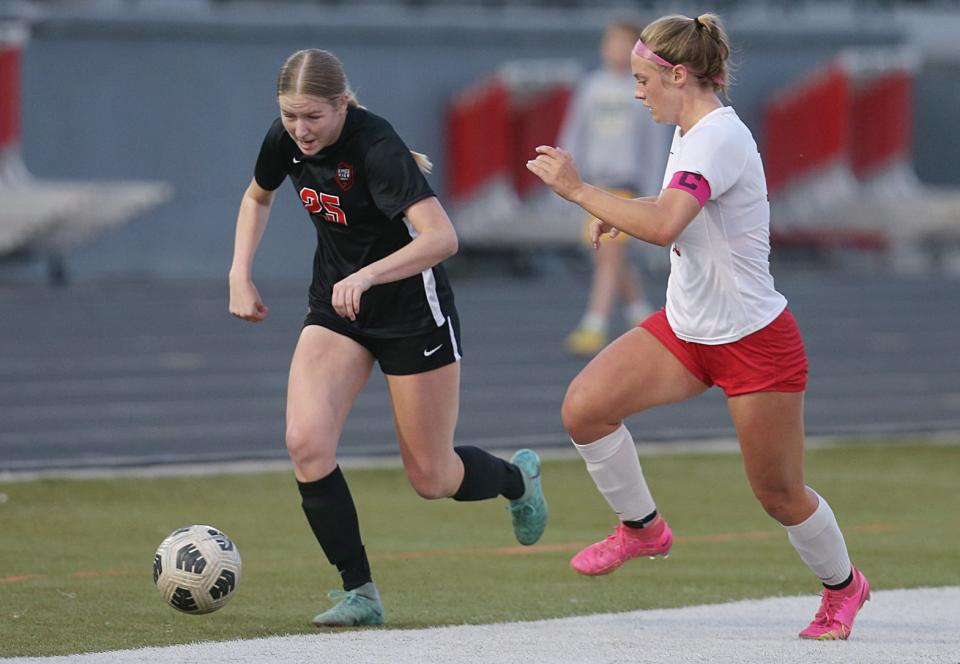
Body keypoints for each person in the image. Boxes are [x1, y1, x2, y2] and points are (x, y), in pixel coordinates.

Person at [527, 14, 869, 641]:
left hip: (753, 343)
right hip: (687, 332)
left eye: (642, 81)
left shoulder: (716, 137)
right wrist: (617, 211)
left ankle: (844, 588)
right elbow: (670, 217)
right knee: (585, 409)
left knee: (779, 494)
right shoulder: (687, 129)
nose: (636, 93)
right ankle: (643, 528)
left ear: (678, 75)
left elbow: (662, 226)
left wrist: (580, 192)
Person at [229, 48, 547, 628]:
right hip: (338, 308)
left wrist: (370, 273)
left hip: (410, 312)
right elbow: (257, 196)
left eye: (313, 118)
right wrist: (238, 273)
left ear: (343, 103)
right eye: (290, 115)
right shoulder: (284, 138)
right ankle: (360, 593)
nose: (300, 130)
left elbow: (442, 237)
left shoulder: (377, 148)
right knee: (305, 441)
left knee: (432, 477)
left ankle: (516, 479)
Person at [558, 18, 670, 357]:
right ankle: (642, 314)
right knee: (612, 257)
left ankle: (594, 322)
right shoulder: (590, 88)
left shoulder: (642, 90)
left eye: (626, 45)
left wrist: (656, 188)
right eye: (613, 43)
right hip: (594, 186)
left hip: (627, 186)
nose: (619, 51)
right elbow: (574, 133)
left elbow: (654, 143)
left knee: (608, 256)